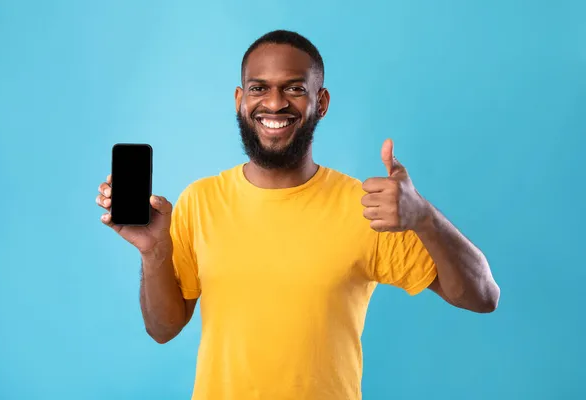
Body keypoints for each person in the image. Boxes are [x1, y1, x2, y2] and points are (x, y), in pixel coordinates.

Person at [96, 30, 500, 400]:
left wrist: (424, 217)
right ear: (240, 100)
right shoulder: (200, 200)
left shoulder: (367, 207)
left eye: (294, 89)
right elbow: (163, 329)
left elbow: (483, 296)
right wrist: (154, 253)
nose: (274, 103)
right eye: (259, 88)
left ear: (320, 103)